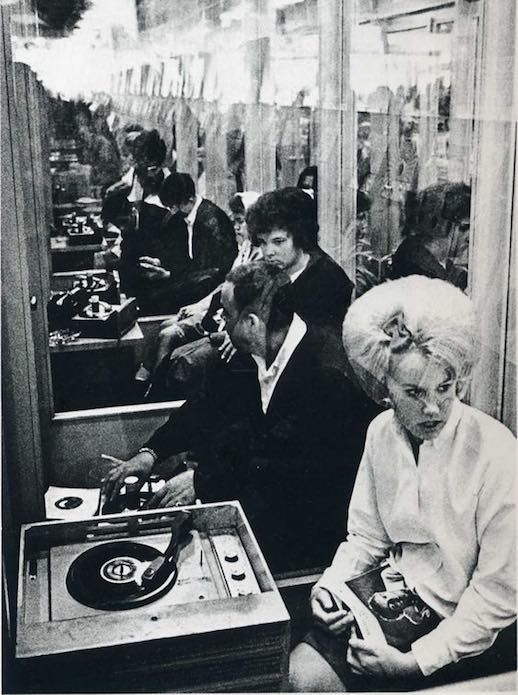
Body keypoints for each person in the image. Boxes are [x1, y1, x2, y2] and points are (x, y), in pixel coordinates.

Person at [289, 275, 516, 691]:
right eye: (413, 392)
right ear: (384, 387)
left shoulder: (497, 452)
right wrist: (330, 586)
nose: (433, 408)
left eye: (444, 388)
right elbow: (366, 536)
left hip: (471, 628)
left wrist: (414, 664)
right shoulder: (380, 433)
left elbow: (497, 596)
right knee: (301, 678)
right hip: (395, 593)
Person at [101, 261, 375, 574]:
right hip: (265, 501)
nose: (221, 322)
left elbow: (289, 464)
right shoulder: (250, 350)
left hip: (311, 538)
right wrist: (151, 452)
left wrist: (202, 480)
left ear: (252, 323)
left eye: (227, 314)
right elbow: (205, 406)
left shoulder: (326, 374)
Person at [246, 187, 354, 334]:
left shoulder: (327, 279)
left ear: (301, 236)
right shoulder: (273, 268)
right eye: (263, 243)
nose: (268, 252)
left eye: (278, 242)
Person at [391, 182, 471, 290]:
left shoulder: (441, 266)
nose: (469, 238)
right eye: (464, 227)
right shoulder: (417, 271)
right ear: (442, 226)